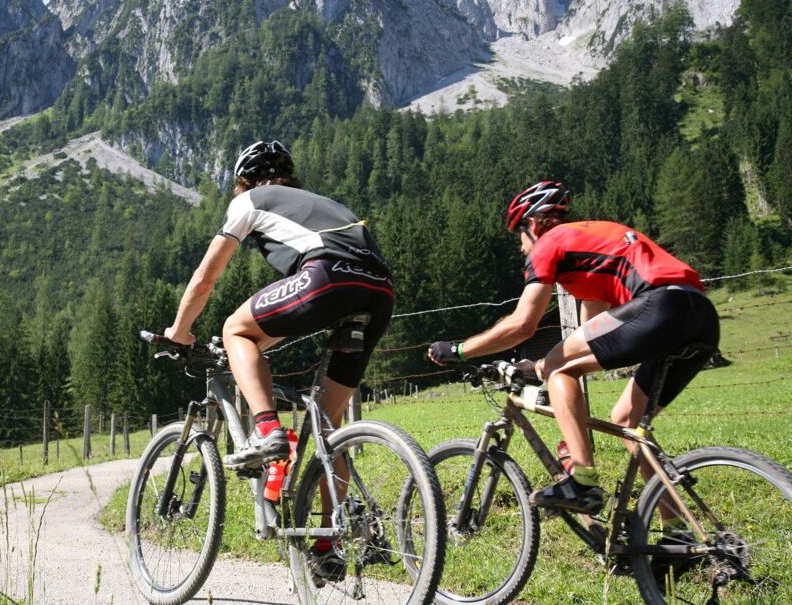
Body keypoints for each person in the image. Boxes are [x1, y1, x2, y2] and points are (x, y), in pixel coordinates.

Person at [428, 181, 719, 520]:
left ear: (533, 225)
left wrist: (460, 350)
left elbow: (523, 325)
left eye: (519, 237)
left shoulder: (549, 243)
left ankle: (583, 480)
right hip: (700, 314)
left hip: (658, 305)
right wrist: (536, 367)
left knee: (559, 369)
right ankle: (677, 533)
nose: (522, 249)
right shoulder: (594, 244)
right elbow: (587, 334)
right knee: (627, 421)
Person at [164, 139, 393, 466]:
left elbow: (205, 278)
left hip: (327, 276)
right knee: (330, 430)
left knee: (235, 330)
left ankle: (267, 429)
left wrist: (180, 330)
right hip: (380, 290)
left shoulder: (248, 201)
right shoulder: (322, 202)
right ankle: (337, 519)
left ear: (242, 182)